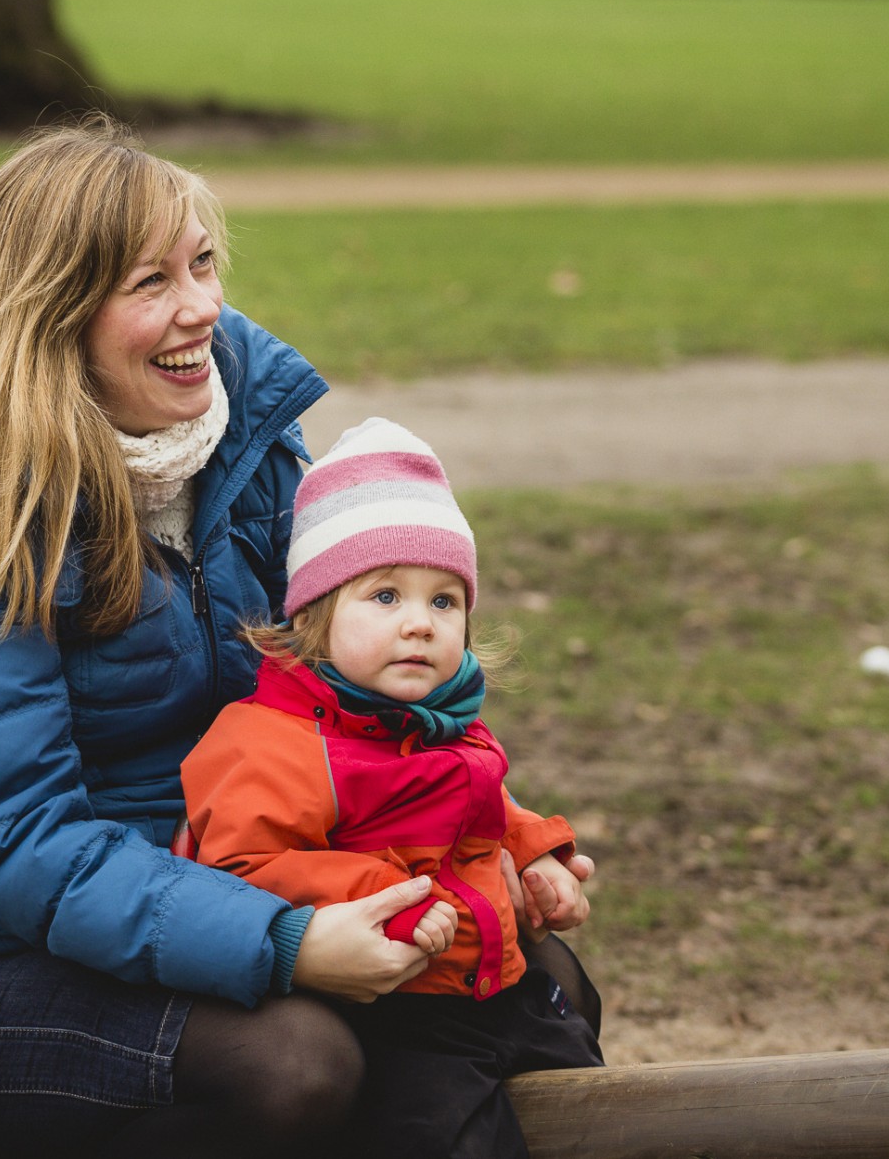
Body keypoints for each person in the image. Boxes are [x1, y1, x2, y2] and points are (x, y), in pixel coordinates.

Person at [0, 120, 490, 1159]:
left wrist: (476, 844)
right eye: (150, 283)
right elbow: (17, 844)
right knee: (294, 1063)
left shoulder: (245, 442)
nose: (201, 307)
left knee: (515, 976)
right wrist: (284, 941)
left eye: (202, 264)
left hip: (206, 881)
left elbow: (353, 694)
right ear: (53, 316)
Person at [178, 415, 604, 1159]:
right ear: (314, 615)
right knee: (445, 1134)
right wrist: (382, 891)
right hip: (395, 1007)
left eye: (444, 602)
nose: (420, 625)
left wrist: (535, 854)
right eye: (385, 597)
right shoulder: (275, 743)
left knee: (584, 1075)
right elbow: (243, 867)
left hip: (484, 976)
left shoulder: (438, 718)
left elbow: (484, 806)